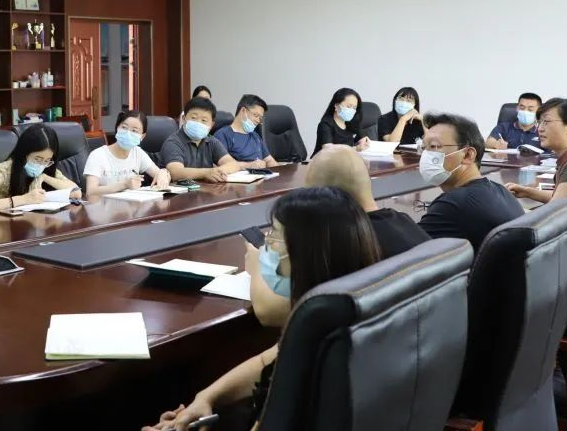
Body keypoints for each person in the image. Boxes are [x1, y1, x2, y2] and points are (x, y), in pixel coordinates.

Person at [143, 187, 381, 431]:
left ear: (303, 255)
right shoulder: (344, 320)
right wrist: (207, 397)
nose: (266, 244)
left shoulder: (308, 373)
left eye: (274, 236)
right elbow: (273, 359)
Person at [246, 145, 429, 328]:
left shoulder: (349, 242)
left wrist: (257, 266)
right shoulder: (403, 222)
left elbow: (272, 312)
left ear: (326, 197)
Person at [417, 112, 524, 251]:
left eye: (434, 146)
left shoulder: (453, 204)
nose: (426, 155)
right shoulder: (500, 190)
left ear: (467, 155)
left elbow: (405, 254)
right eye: (423, 147)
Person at [0, 125, 81, 213]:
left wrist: (45, 177)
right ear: (24, 153)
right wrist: (24, 199)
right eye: (37, 159)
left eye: (47, 160)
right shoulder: (3, 171)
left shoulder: (46, 168)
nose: (41, 165)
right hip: (5, 226)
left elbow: (76, 193)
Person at [84, 110, 171, 194]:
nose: (128, 133)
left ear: (142, 136)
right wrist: (124, 184)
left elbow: (158, 173)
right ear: (117, 128)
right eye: (124, 127)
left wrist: (163, 174)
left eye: (134, 131)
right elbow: (91, 191)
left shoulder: (137, 153)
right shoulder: (97, 155)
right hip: (103, 203)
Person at [161, 97, 242, 182]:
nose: (198, 123)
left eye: (204, 120)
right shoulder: (173, 142)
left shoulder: (211, 141)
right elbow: (175, 173)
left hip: (204, 188)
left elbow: (233, 164)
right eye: (193, 118)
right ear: (184, 119)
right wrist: (206, 173)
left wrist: (216, 172)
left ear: (211, 125)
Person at [214, 94, 277, 168]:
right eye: (256, 115)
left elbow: (269, 160)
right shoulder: (222, 135)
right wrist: (250, 165)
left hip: (261, 174)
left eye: (260, 118)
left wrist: (277, 169)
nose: (258, 121)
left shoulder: (255, 136)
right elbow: (224, 164)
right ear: (243, 111)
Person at [313, 87, 370, 155]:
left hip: (345, 160)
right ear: (336, 106)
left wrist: (363, 140)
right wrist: (355, 149)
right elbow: (328, 150)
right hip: (324, 160)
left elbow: (362, 136)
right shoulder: (326, 124)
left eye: (354, 108)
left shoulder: (351, 123)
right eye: (348, 106)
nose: (351, 110)